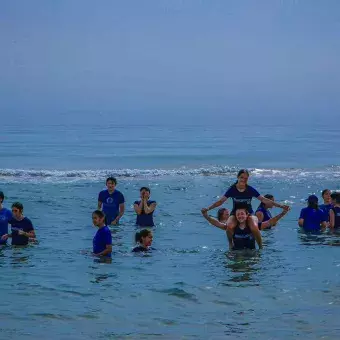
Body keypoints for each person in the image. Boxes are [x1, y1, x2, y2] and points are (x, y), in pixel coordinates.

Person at [202, 169, 289, 249]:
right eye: (241, 177)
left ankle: (260, 246)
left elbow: (263, 199)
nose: (243, 180)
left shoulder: (250, 189)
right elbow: (220, 201)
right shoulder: (232, 189)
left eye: (246, 178)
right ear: (237, 177)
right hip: (235, 213)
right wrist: (208, 209)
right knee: (229, 226)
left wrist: (281, 206)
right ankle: (230, 243)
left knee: (254, 227)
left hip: (249, 213)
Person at [202, 205, 289, 235]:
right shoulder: (231, 226)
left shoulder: (253, 226)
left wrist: (283, 213)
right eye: (238, 214)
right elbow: (216, 223)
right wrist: (206, 215)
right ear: (235, 216)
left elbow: (270, 222)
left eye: (242, 214)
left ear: (247, 215)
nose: (240, 216)